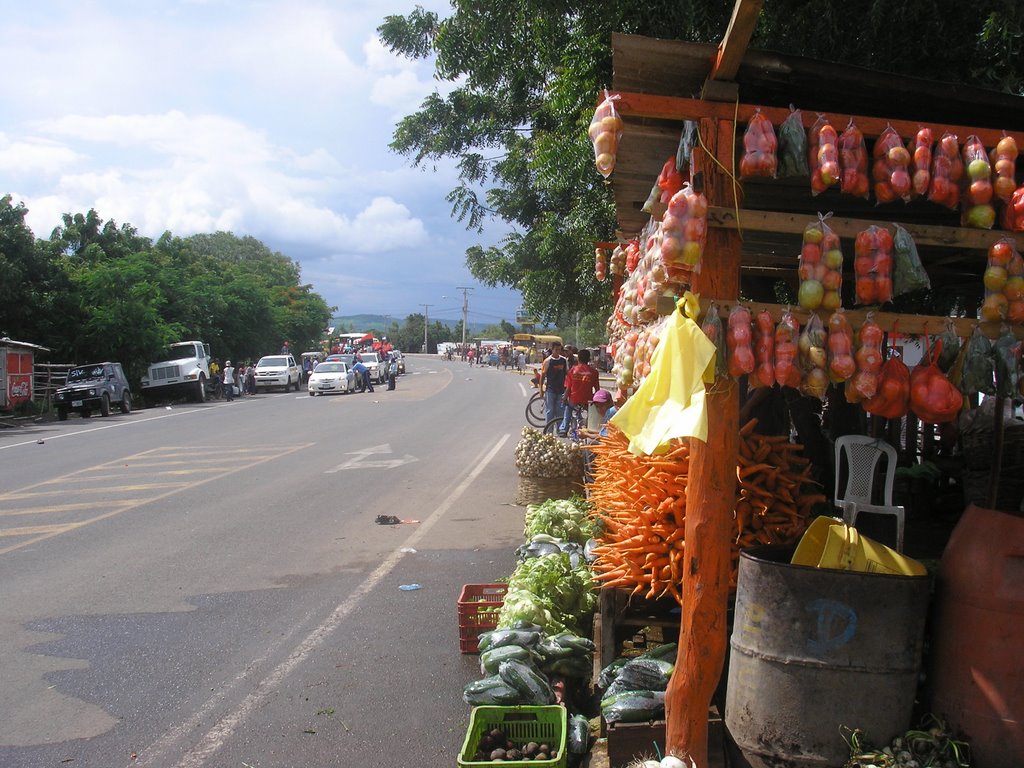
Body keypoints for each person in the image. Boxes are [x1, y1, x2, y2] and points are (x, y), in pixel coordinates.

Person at [561, 348, 600, 434]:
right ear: (589, 359)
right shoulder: (594, 372)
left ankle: (564, 429)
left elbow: (568, 388)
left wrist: (564, 398)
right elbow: (597, 389)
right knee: (590, 415)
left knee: (568, 409)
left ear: (578, 358)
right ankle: (589, 428)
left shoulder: (573, 370)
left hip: (574, 399)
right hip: (587, 400)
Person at [539, 341, 568, 425]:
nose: (558, 352)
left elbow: (567, 374)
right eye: (556, 350)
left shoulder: (564, 360)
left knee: (560, 411)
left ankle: (560, 430)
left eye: (559, 350)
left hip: (561, 390)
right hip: (550, 390)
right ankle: (549, 431)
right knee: (550, 411)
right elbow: (542, 376)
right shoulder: (548, 361)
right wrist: (541, 389)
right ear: (552, 349)